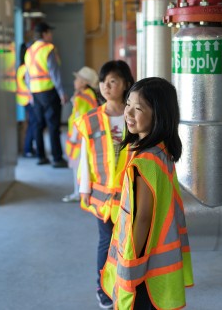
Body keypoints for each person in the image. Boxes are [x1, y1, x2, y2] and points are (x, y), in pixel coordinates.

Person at [101, 77, 194, 309]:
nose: (129, 113)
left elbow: (141, 218)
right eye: (128, 104)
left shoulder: (145, 162)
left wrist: (130, 268)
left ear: (159, 115)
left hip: (143, 269)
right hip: (153, 266)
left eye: (139, 108)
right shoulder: (161, 151)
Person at [76, 60, 134, 309]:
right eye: (103, 82)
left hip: (131, 194)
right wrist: (84, 189)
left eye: (113, 81)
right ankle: (103, 287)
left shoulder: (136, 116)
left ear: (126, 84)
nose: (107, 87)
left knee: (129, 241)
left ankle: (126, 283)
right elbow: (84, 158)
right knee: (105, 240)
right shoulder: (90, 120)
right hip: (102, 196)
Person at [24, 21, 68, 168]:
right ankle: (57, 158)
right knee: (53, 125)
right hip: (49, 91)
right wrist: (62, 92)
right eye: (50, 32)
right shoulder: (49, 48)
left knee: (37, 124)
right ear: (44, 34)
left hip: (35, 93)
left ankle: (41, 157)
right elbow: (54, 73)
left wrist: (30, 94)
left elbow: (28, 75)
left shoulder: (29, 50)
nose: (51, 35)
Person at [62, 66, 101, 203]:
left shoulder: (82, 98)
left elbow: (79, 118)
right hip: (87, 136)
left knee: (78, 167)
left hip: (79, 138)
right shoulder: (89, 96)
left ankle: (78, 192)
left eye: (77, 79)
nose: (75, 81)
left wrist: (73, 139)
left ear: (84, 83)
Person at [17, 42, 36, 157]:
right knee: (33, 124)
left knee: (32, 123)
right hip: (28, 100)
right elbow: (28, 85)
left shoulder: (21, 67)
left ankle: (29, 148)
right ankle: (28, 149)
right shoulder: (26, 69)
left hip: (24, 99)